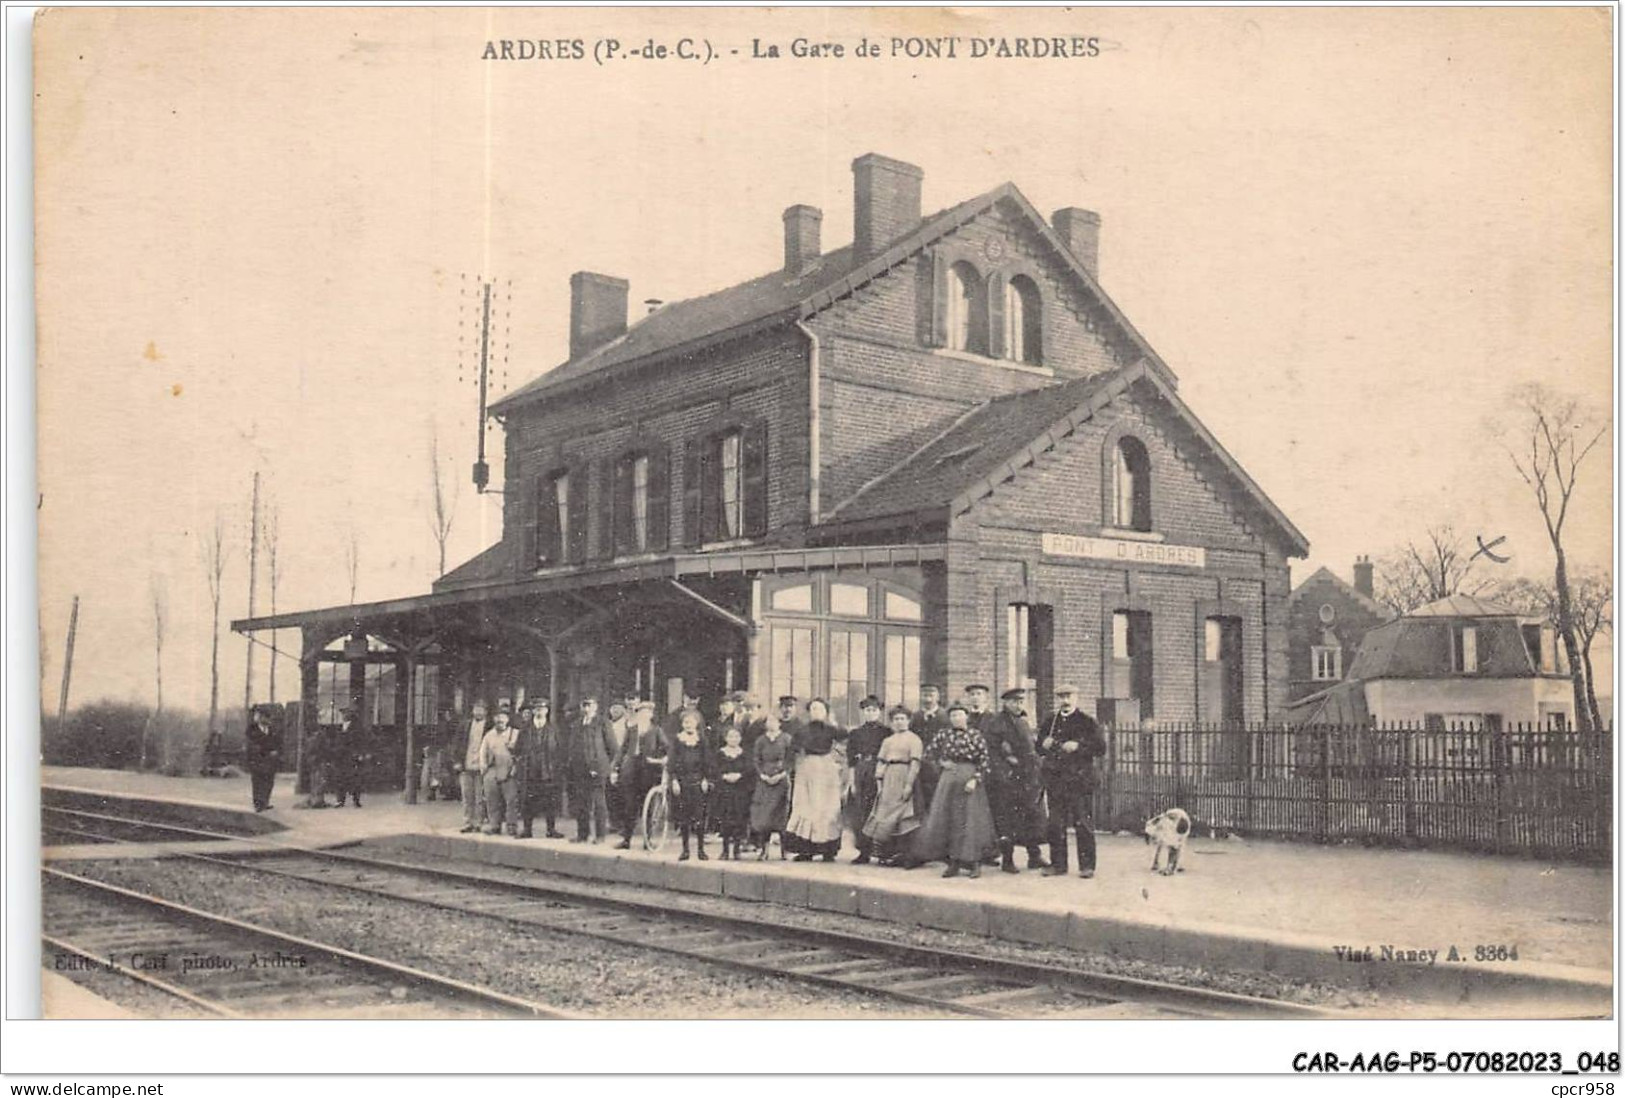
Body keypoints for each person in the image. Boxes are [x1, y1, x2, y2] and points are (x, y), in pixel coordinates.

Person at [906, 700, 994, 878]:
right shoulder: (943, 734)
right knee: (949, 819)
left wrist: (975, 779)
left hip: (969, 777)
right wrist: (942, 763)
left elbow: (984, 760)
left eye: (960, 714)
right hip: (948, 780)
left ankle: (974, 862)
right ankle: (953, 862)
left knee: (970, 820)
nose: (956, 718)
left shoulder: (975, 735)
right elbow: (928, 754)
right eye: (953, 715)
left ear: (966, 717)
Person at [1037, 684, 1107, 879]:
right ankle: (1058, 865)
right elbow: (1038, 747)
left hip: (1079, 781)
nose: (1065, 701)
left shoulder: (1087, 722)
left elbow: (1100, 748)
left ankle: (1087, 866)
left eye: (1069, 696)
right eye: (1061, 697)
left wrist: (1078, 746)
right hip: (1056, 781)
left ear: (1076, 698)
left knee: (1082, 823)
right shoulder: (1050, 722)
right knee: (1056, 824)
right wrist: (1044, 744)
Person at [982, 687, 1049, 873]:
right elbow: (991, 752)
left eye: (1020, 701)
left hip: (1028, 778)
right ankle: (1008, 860)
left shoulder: (1023, 721)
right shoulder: (996, 723)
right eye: (1014, 701)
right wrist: (1006, 770)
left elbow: (1030, 749)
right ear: (1005, 703)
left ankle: (1034, 856)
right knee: (1007, 820)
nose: (1018, 705)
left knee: (1031, 817)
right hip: (1007, 780)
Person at [784, 698, 847, 862]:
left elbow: (845, 739)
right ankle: (806, 850)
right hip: (808, 768)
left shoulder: (831, 729)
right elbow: (793, 750)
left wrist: (834, 722)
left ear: (826, 712)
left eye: (820, 709)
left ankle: (828, 850)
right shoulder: (802, 730)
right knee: (806, 807)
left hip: (827, 769)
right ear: (809, 712)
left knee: (827, 808)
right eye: (813, 709)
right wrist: (790, 769)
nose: (816, 712)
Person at [863, 705, 925, 864]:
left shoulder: (914, 739)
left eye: (902, 719)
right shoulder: (888, 741)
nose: (899, 722)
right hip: (889, 779)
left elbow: (915, 764)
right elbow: (881, 763)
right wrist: (879, 784)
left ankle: (907, 855)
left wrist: (909, 785)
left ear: (908, 721)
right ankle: (886, 854)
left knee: (904, 815)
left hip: (904, 776)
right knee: (884, 815)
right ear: (891, 722)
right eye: (896, 719)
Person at [611, 700, 666, 849]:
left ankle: (647, 841)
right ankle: (626, 840)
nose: (643, 715)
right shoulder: (632, 729)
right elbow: (622, 749)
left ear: (651, 715)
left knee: (647, 808)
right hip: (630, 772)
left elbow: (667, 748)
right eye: (640, 712)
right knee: (629, 806)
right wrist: (615, 768)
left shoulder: (656, 731)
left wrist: (662, 759)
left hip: (648, 772)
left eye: (646, 712)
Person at [844, 696, 889, 864]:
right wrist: (851, 781)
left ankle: (882, 852)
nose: (871, 713)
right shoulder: (856, 733)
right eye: (868, 710)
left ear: (879, 712)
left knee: (879, 810)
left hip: (879, 770)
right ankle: (864, 851)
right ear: (863, 712)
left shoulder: (886, 732)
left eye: (874, 710)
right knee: (861, 811)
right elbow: (851, 759)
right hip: (862, 770)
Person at [565, 695, 615, 843]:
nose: (586, 709)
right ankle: (583, 834)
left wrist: (611, 768)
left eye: (589, 705)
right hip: (580, 769)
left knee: (599, 802)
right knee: (582, 802)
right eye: (584, 705)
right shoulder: (576, 724)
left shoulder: (603, 722)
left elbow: (612, 747)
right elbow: (572, 746)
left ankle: (600, 836)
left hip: (598, 768)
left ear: (596, 706)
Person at [668, 709, 713, 861]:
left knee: (699, 817)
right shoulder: (677, 740)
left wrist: (706, 779)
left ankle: (701, 850)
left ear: (697, 723)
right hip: (682, 782)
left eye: (691, 722)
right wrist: (674, 780)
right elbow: (672, 761)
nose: (688, 725)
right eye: (686, 722)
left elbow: (707, 761)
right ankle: (685, 850)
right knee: (684, 818)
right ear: (682, 724)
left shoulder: (702, 740)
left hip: (698, 782)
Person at [748, 713, 792, 859]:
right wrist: (762, 775)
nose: (771, 723)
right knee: (764, 815)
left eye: (774, 721)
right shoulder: (761, 740)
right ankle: (764, 850)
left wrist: (783, 774)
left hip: (781, 779)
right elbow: (756, 758)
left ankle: (784, 850)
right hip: (764, 780)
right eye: (769, 721)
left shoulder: (786, 738)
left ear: (779, 723)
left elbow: (791, 759)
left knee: (781, 814)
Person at [519, 698, 565, 839]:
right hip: (530, 771)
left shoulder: (553, 729)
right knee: (528, 801)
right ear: (533, 711)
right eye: (536, 709)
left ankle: (551, 830)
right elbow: (518, 749)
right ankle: (527, 830)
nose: (539, 711)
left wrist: (557, 768)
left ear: (546, 711)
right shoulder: (525, 729)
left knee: (550, 801)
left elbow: (560, 750)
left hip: (548, 771)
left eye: (542, 709)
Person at [713, 724, 754, 860]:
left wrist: (740, 776)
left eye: (736, 736)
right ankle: (725, 850)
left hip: (740, 790)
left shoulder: (745, 754)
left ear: (741, 738)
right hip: (724, 790)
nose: (733, 739)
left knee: (739, 820)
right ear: (725, 738)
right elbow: (714, 770)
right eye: (730, 736)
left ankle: (737, 850)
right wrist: (724, 776)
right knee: (725, 820)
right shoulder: (720, 753)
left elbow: (750, 771)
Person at [479, 705, 521, 837]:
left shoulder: (515, 734)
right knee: (492, 799)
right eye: (497, 718)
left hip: (508, 770)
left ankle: (511, 826)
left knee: (511, 800)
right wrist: (484, 769)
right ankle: (494, 825)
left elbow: (520, 754)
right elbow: (482, 752)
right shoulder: (489, 735)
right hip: (492, 769)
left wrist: (515, 768)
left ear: (508, 719)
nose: (500, 720)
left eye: (503, 717)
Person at [911, 685, 950, 809]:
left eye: (931, 696)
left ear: (938, 697)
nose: (928, 700)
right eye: (924, 695)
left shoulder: (946, 717)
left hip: (939, 764)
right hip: (919, 763)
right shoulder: (915, 717)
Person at [455, 701, 490, 833]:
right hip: (466, 764)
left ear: (486, 712)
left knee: (480, 796)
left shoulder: (489, 726)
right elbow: (457, 744)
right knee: (467, 795)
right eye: (476, 709)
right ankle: (467, 822)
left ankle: (478, 822)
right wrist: (457, 761)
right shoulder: (465, 725)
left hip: (482, 765)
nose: (478, 712)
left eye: (481, 709)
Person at [244, 706, 281, 812]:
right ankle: (258, 804)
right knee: (257, 782)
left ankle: (265, 802)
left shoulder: (271, 729)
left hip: (270, 761)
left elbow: (277, 743)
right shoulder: (251, 729)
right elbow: (252, 746)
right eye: (263, 717)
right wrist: (267, 752)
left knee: (269, 782)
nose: (267, 720)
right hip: (258, 760)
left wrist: (276, 752)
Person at [330, 708, 365, 808]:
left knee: (355, 779)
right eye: (343, 714)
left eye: (346, 714)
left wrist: (359, 754)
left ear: (351, 715)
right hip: (341, 758)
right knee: (340, 778)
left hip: (352, 757)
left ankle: (356, 801)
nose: (344, 716)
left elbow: (360, 742)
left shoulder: (357, 728)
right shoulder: (338, 727)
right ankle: (340, 800)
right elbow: (336, 742)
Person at [302, 721, 332, 809]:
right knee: (318, 780)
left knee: (317, 780)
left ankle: (316, 799)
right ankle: (317, 799)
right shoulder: (317, 737)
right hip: (318, 761)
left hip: (317, 760)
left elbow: (309, 750)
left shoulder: (313, 738)